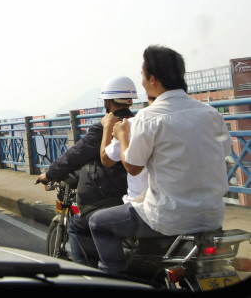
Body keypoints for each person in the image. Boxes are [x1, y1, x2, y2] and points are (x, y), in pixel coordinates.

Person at [88, 45, 232, 274]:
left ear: (153, 79)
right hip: (212, 215)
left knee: (98, 223)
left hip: (168, 217)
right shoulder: (210, 113)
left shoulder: (149, 116)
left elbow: (133, 167)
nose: (142, 79)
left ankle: (114, 281)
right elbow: (225, 151)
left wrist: (123, 137)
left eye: (143, 74)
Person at [35, 75, 138, 266]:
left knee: (75, 225)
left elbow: (77, 154)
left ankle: (84, 274)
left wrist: (50, 173)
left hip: (109, 195)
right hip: (135, 193)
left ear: (107, 102)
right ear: (130, 100)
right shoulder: (138, 122)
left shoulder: (104, 127)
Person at [100, 96, 156, 204]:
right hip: (179, 199)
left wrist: (109, 127)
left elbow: (106, 159)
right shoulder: (191, 118)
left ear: (107, 102)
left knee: (95, 221)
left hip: (140, 202)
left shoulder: (129, 124)